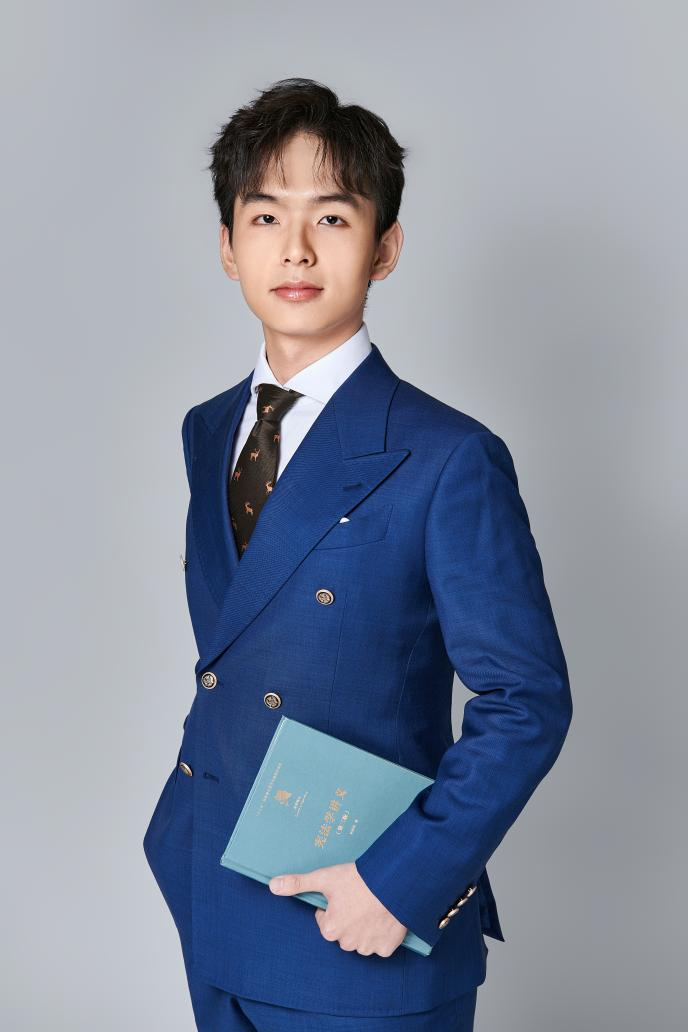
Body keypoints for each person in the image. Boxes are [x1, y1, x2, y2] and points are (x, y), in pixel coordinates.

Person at [143, 77, 572, 1032]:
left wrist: (401, 882)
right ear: (228, 246)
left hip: (359, 923)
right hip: (211, 889)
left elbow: (527, 700)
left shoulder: (449, 456)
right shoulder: (209, 429)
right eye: (266, 216)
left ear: (385, 248)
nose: (295, 249)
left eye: (332, 217)